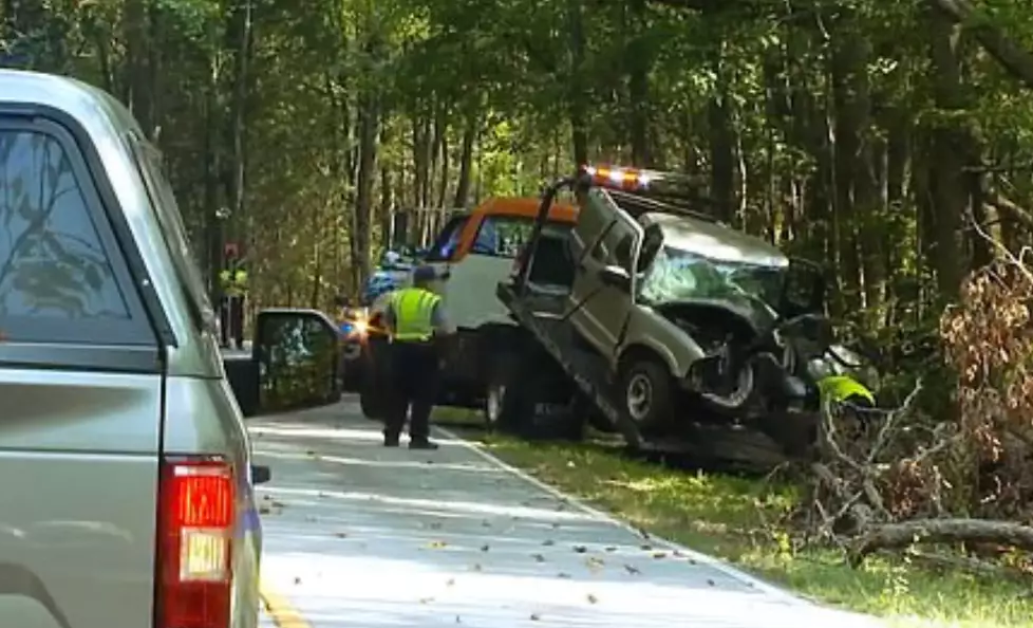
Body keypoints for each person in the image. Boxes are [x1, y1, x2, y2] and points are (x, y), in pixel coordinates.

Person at [381, 265, 453, 449]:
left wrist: (395, 334)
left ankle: (391, 435)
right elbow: (445, 329)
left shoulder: (399, 297)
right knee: (423, 396)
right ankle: (418, 438)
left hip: (399, 350)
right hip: (424, 351)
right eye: (434, 280)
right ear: (427, 282)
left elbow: (386, 321)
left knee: (397, 395)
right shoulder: (432, 301)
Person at [219, 256, 249, 350]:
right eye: (230, 261)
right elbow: (223, 284)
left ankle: (239, 341)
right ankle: (225, 341)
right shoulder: (225, 273)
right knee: (225, 319)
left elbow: (243, 284)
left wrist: (234, 280)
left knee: (238, 320)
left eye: (233, 261)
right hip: (227, 298)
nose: (231, 263)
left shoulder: (241, 274)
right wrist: (229, 279)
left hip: (238, 299)